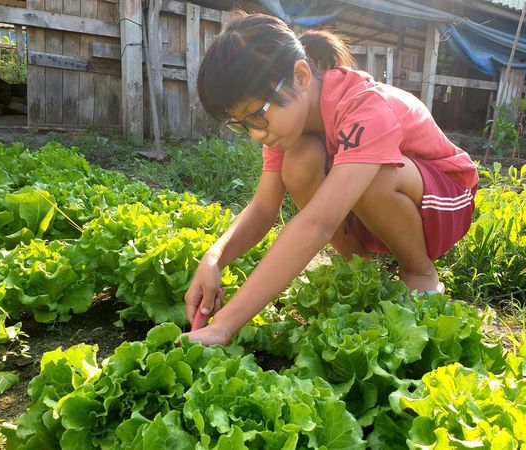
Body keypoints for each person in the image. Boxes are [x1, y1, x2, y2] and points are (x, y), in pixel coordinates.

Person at [183, 12, 479, 345]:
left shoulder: (362, 106)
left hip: (446, 200)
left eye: (256, 115)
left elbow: (317, 223)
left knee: (376, 174)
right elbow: (264, 207)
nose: (254, 134)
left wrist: (225, 324)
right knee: (298, 162)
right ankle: (361, 268)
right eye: (242, 125)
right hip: (386, 200)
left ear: (300, 75)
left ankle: (419, 272)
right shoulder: (285, 130)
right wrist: (214, 257)